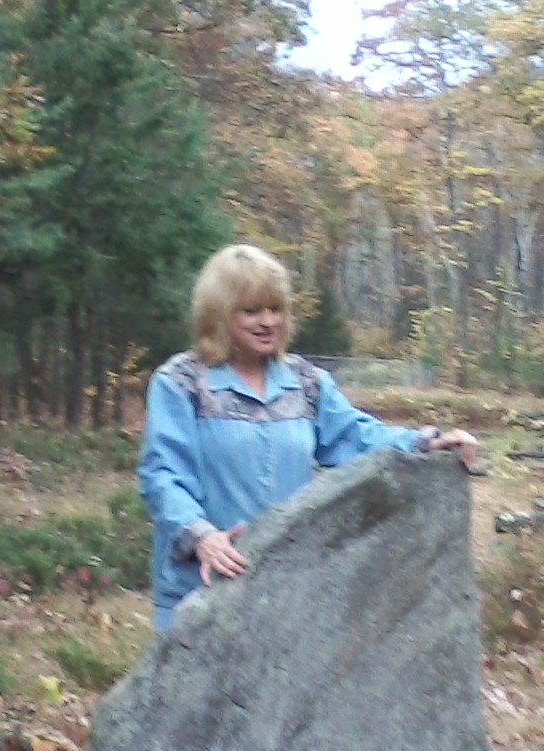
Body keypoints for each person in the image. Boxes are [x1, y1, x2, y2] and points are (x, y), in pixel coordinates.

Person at [138, 243, 478, 632]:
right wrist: (202, 537)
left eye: (275, 309)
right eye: (251, 311)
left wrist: (425, 444)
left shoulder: (306, 382)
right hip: (200, 588)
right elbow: (162, 475)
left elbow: (357, 438)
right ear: (219, 315)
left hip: (288, 587)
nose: (267, 322)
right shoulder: (180, 383)